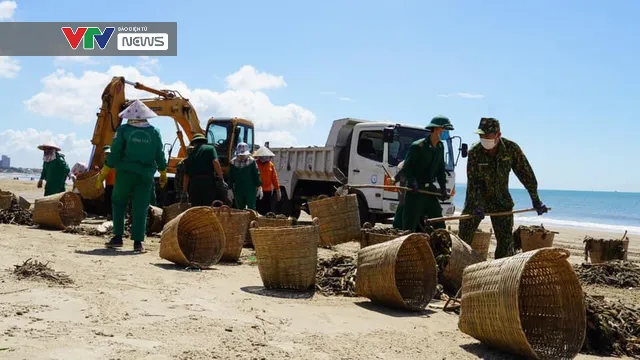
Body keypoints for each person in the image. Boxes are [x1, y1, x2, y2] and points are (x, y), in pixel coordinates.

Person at [458, 117, 548, 259]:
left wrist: (535, 200)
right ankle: (456, 269)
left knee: (506, 244)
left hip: (500, 200)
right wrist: (477, 205)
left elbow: (526, 175)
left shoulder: (511, 149)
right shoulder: (475, 152)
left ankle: (502, 274)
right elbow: (473, 182)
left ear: (498, 135)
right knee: (463, 238)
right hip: (476, 200)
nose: (483, 138)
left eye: (487, 135)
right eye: (481, 136)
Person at [96, 100, 168, 253]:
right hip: (146, 175)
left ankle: (117, 237)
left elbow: (115, 152)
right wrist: (162, 171)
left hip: (125, 173)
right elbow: (159, 154)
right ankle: (138, 243)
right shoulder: (154, 132)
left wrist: (105, 170)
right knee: (140, 207)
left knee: (119, 203)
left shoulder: (123, 130)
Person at [399, 116, 453, 232]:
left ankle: (439, 247)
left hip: (430, 191)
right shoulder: (418, 146)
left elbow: (440, 170)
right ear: (437, 129)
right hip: (415, 191)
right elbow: (407, 167)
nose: (446, 133)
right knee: (410, 225)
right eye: (445, 130)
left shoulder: (440, 147)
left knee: (438, 222)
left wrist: (443, 189)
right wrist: (412, 181)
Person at [181, 133, 227, 206]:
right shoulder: (210, 149)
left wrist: (184, 191)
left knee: (196, 209)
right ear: (204, 141)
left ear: (194, 143)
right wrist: (221, 178)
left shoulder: (190, 155)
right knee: (208, 207)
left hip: (194, 185)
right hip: (208, 183)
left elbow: (186, 175)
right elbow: (215, 162)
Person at [227, 142, 262, 210]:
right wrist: (229, 189)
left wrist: (259, 186)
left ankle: (252, 220)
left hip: (250, 189)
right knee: (240, 208)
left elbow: (256, 174)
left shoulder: (252, 162)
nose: (243, 156)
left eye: (244, 155)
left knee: (251, 208)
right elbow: (230, 177)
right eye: (241, 155)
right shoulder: (233, 163)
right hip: (238, 189)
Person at [253, 146, 281, 215]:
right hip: (257, 191)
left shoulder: (270, 165)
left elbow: (274, 178)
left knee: (267, 209)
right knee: (257, 209)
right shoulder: (254, 164)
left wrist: (278, 190)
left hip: (268, 191)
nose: (264, 158)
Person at [101, 146, 116, 219]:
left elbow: (106, 172)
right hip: (109, 183)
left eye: (107, 153)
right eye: (105, 153)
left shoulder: (110, 161)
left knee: (110, 200)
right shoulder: (107, 161)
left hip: (112, 184)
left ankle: (111, 215)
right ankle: (110, 214)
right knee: (109, 200)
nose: (106, 155)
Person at [391, 160, 406, 229]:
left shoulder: (413, 173)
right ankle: (396, 227)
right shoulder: (402, 172)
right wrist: (392, 180)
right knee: (400, 211)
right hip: (402, 196)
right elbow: (394, 178)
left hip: (410, 197)